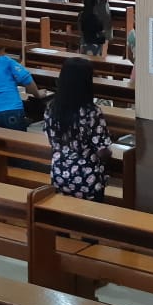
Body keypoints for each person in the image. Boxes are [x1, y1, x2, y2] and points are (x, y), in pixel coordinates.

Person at [44, 58, 114, 202]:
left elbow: (51, 139)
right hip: (87, 180)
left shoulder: (51, 108)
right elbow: (102, 151)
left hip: (59, 174)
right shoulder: (91, 112)